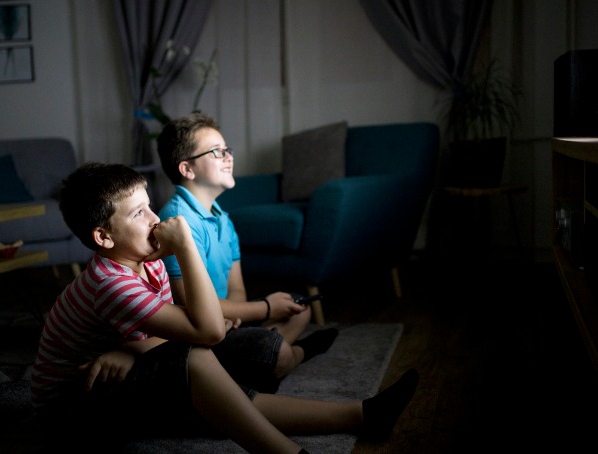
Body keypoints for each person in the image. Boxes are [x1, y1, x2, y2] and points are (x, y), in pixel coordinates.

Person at [29, 162, 419, 452]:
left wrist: (129, 350)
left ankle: (361, 415)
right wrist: (184, 245)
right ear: (103, 236)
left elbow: (187, 328)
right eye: (138, 214)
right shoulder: (110, 282)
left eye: (150, 206)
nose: (154, 219)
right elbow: (207, 330)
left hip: (118, 373)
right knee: (199, 363)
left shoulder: (145, 264)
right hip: (73, 410)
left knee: (221, 378)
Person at [155, 113, 338, 392]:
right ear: (187, 169)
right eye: (217, 152)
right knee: (276, 349)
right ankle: (296, 354)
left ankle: (257, 363)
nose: (229, 157)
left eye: (228, 150)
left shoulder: (224, 219)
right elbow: (188, 305)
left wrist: (241, 318)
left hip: (227, 321)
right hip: (198, 330)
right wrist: (265, 308)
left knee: (299, 310)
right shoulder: (177, 221)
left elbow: (236, 289)